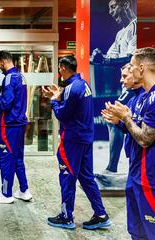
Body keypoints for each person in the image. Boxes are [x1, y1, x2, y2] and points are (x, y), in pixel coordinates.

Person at [42, 56, 111, 230]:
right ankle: (101, 214)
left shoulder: (71, 88)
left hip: (72, 140)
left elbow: (62, 115)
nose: (59, 71)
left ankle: (66, 217)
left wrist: (53, 101)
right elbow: (72, 107)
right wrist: (59, 97)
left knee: (67, 177)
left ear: (63, 68)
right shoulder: (84, 84)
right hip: (85, 139)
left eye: (59, 68)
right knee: (87, 178)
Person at [104, 47, 155, 239]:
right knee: (136, 229)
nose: (128, 71)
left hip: (150, 178)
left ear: (141, 69)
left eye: (132, 67)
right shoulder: (143, 97)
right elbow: (136, 130)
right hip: (136, 174)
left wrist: (125, 118)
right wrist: (122, 120)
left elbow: (145, 139)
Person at [0, 50, 32, 204]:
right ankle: (24, 190)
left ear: (3, 61)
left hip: (9, 125)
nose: (0, 68)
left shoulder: (9, 78)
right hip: (19, 123)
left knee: (6, 159)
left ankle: (6, 194)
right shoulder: (21, 77)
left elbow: (6, 104)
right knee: (18, 158)